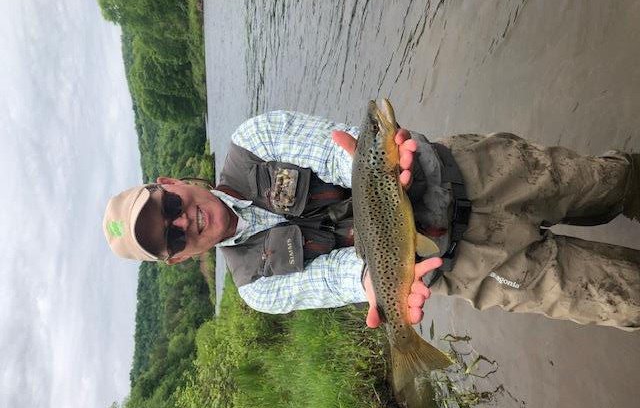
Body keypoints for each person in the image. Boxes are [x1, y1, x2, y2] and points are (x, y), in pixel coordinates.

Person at [103, 109, 640, 330]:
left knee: (609, 181)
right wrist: (375, 285)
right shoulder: (257, 289)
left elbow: (338, 152)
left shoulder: (253, 140)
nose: (181, 222)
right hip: (464, 264)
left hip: (474, 172)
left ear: (170, 183)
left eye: (167, 207)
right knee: (622, 297)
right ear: (179, 259)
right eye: (169, 239)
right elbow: (342, 278)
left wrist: (381, 165)